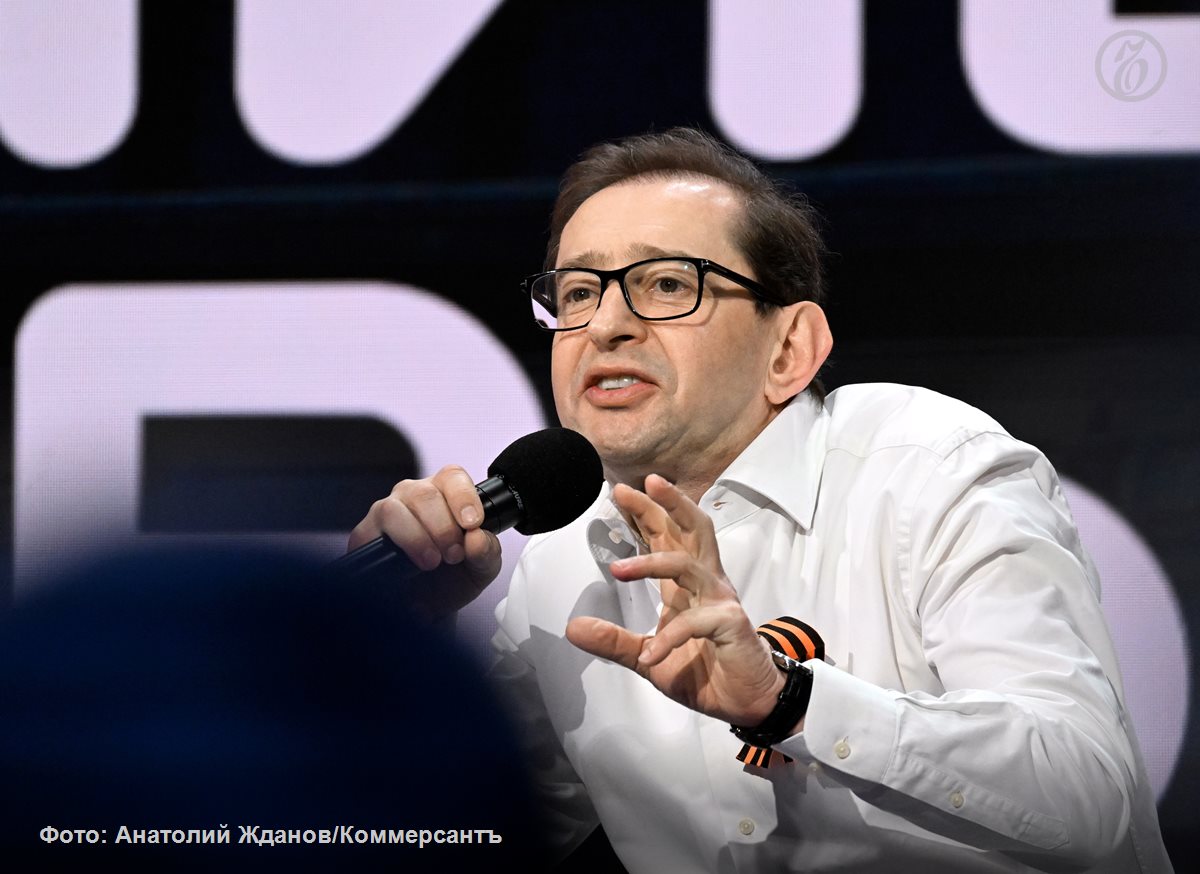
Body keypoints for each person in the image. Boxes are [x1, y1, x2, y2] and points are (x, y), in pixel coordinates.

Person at [349, 128, 1173, 872]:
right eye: (577, 293)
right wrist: (402, 648)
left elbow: (1090, 800)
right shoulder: (563, 564)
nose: (604, 326)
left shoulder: (930, 470)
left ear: (790, 349)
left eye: (665, 284)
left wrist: (792, 704)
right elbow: (458, 838)